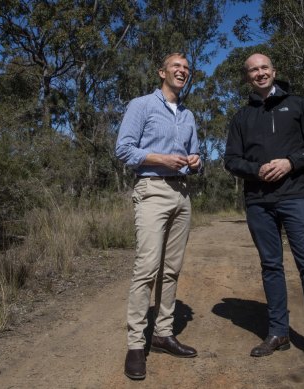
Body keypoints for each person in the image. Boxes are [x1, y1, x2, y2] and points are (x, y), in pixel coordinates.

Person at [224, 53, 304, 372]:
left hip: (295, 198)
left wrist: (291, 162)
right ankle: (278, 332)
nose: (259, 73)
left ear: (274, 72)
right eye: (253, 70)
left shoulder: (299, 105)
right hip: (259, 202)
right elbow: (231, 160)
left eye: (264, 68)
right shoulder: (241, 117)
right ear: (247, 77)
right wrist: (256, 170)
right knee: (271, 266)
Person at [115, 52, 201, 381]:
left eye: (186, 68)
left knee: (171, 269)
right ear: (161, 72)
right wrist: (159, 159)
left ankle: (163, 333)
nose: (182, 71)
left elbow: (196, 153)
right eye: (176, 67)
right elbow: (124, 149)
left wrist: (196, 161)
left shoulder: (189, 114)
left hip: (183, 193)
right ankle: (136, 344)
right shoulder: (141, 105)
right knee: (147, 268)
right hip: (152, 189)